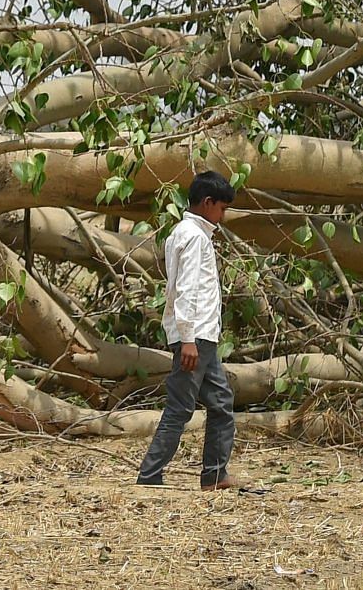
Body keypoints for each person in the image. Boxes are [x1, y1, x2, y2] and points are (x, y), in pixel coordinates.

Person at [136, 170, 245, 490]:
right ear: (207, 202)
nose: (223, 215)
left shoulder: (184, 233)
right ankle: (150, 475)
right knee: (180, 407)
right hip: (195, 336)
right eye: (222, 208)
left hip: (201, 336)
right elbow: (186, 290)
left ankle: (215, 474)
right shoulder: (194, 237)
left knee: (222, 402)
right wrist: (187, 340)